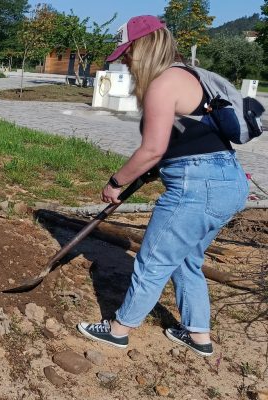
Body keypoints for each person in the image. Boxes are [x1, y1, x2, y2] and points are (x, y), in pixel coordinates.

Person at [76, 16, 248, 356]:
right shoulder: (191, 76)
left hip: (197, 186)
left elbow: (152, 148)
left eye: (127, 53)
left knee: (152, 260)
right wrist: (156, 169)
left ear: (145, 47)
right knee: (187, 260)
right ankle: (199, 336)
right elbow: (186, 141)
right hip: (228, 182)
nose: (124, 60)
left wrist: (116, 183)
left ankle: (118, 329)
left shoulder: (164, 83)